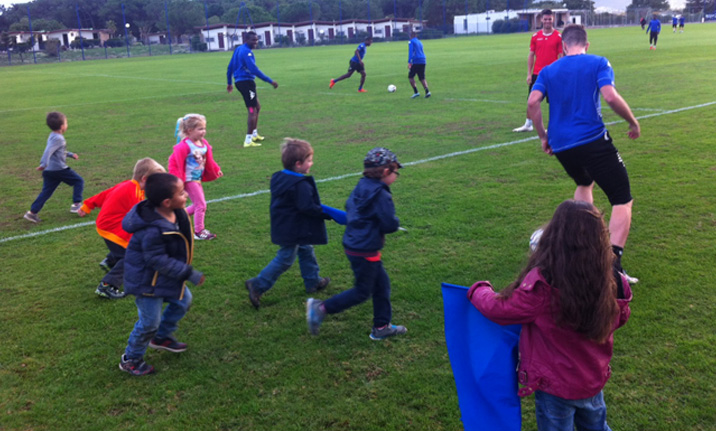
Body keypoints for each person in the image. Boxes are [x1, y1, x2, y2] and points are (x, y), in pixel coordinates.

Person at [468, 200, 633, 431]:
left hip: (555, 387)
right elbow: (620, 317)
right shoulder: (612, 279)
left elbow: (501, 309)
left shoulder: (544, 286)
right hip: (592, 379)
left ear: (555, 235)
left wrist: (479, 290)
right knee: (597, 426)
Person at [527, 24, 641, 283]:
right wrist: (633, 122)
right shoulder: (598, 62)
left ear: (564, 47)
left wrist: (544, 136)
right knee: (622, 198)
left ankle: (582, 248)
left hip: (562, 146)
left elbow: (533, 102)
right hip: (592, 140)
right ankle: (612, 266)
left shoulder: (548, 70)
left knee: (584, 183)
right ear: (586, 45)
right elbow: (610, 97)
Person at [307, 147, 406, 341]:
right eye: (395, 172)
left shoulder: (362, 185)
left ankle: (381, 326)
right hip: (365, 249)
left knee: (381, 285)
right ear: (386, 172)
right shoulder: (382, 195)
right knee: (363, 291)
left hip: (354, 243)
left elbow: (350, 207)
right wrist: (393, 224)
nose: (396, 176)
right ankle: (321, 309)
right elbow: (388, 223)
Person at [119, 173, 205, 376]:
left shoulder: (177, 212)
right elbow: (156, 259)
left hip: (164, 276)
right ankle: (131, 358)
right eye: (182, 193)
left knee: (183, 301)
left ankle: (161, 337)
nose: (186, 195)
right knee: (149, 322)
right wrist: (187, 272)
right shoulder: (152, 230)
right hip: (146, 282)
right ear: (167, 202)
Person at [245, 138, 332, 309]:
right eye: (309, 160)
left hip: (287, 224)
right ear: (298, 164)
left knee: (306, 248)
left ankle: (313, 281)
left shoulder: (280, 177)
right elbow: (308, 207)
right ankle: (258, 285)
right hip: (291, 228)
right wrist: (327, 214)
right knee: (286, 258)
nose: (311, 163)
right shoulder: (300, 185)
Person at [77, 158, 166, 299]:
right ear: (144, 179)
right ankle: (107, 286)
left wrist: (88, 205)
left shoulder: (130, 185)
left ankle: (110, 261)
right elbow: (140, 216)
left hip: (108, 224)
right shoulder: (133, 192)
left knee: (125, 249)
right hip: (112, 226)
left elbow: (105, 194)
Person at [168, 114, 223, 240]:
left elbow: (209, 159)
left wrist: (216, 169)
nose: (203, 131)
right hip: (188, 180)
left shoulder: (203, 143)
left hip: (197, 179)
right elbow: (175, 163)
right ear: (189, 131)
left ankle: (174, 219)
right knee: (201, 205)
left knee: (197, 205)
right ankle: (199, 231)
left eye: (204, 128)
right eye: (200, 129)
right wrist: (178, 181)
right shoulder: (184, 146)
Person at [24, 111, 84, 223]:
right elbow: (48, 151)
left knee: (46, 192)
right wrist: (43, 163)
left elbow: (58, 151)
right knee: (78, 181)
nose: (67, 125)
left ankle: (32, 213)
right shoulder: (59, 139)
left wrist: (70, 154)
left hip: (50, 171)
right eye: (66, 123)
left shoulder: (53, 135)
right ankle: (76, 205)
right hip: (59, 170)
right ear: (62, 126)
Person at [227, 31, 279, 148]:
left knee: (257, 107)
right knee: (252, 110)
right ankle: (248, 140)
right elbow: (254, 69)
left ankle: (254, 134)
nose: (256, 42)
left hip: (241, 82)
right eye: (253, 40)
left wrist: (229, 82)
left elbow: (230, 67)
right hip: (246, 83)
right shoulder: (246, 52)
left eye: (256, 40)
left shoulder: (238, 49)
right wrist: (270, 81)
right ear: (246, 40)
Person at [513, 10, 562, 133]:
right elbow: (531, 55)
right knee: (532, 100)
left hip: (553, 74)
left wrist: (560, 73)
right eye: (545, 19)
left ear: (553, 19)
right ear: (541, 20)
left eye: (549, 19)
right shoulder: (535, 37)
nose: (547, 21)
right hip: (537, 74)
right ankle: (528, 124)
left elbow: (561, 56)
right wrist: (529, 73)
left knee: (554, 102)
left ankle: (553, 126)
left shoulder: (558, 37)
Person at [407, 31, 431, 99]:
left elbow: (411, 51)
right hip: (423, 60)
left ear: (410, 36)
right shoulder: (420, 42)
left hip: (416, 61)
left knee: (411, 77)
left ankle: (416, 92)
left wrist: (409, 62)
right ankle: (427, 91)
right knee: (422, 77)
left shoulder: (411, 41)